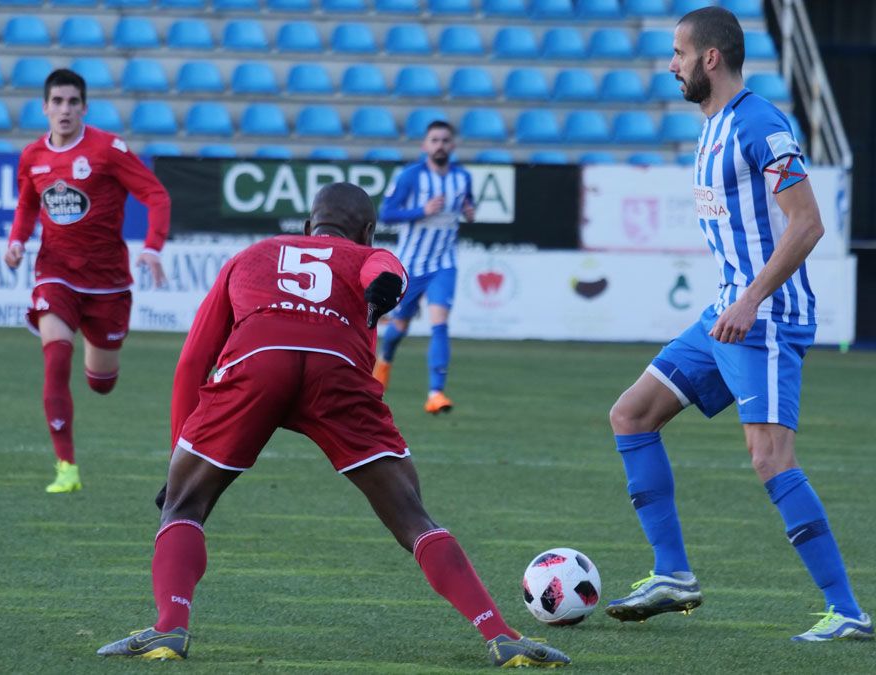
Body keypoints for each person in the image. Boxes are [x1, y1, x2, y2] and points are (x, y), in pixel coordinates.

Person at [96, 183, 570, 667]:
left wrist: (180, 453)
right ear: (366, 232)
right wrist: (385, 286)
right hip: (335, 369)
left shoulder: (253, 254)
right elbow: (384, 269)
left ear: (307, 227)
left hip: (258, 361)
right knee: (412, 517)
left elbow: (194, 359)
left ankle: (169, 628)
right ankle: (500, 633)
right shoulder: (370, 255)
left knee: (184, 506)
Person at [602, 7, 874, 643]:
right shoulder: (712, 126)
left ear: (711, 58)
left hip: (766, 317)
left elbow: (807, 223)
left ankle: (847, 611)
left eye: (678, 53)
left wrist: (751, 299)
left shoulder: (760, 124)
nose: (671, 64)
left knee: (770, 456)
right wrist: (736, 299)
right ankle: (672, 575)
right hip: (725, 311)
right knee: (631, 415)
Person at [4, 68, 170, 494]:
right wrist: (17, 241)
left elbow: (156, 196)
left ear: (84, 108)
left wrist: (152, 246)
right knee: (55, 359)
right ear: (44, 107)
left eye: (72, 102)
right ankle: (66, 466)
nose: (64, 110)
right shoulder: (32, 157)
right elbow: (26, 205)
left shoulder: (108, 149)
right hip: (55, 274)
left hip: (108, 283)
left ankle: (100, 366)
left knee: (101, 383)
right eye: (57, 102)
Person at [373, 120, 475, 415]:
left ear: (452, 145)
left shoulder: (463, 177)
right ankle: (386, 359)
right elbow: (386, 213)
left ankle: (435, 393)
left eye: (445, 140)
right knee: (399, 326)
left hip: (444, 263)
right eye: (434, 140)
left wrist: (469, 212)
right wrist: (422, 210)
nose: (440, 145)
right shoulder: (411, 176)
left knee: (439, 322)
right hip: (412, 264)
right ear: (425, 146)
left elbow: (467, 204)